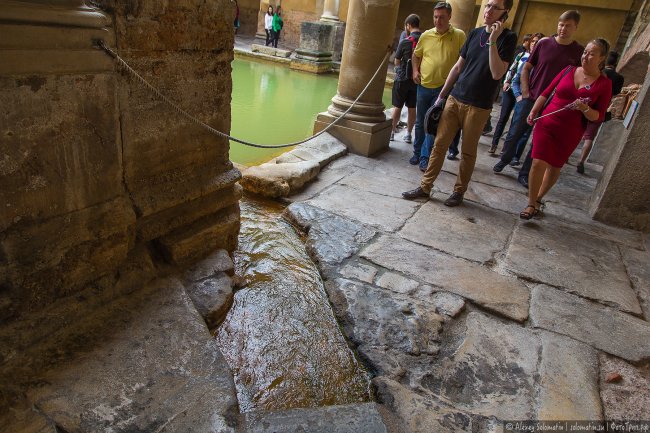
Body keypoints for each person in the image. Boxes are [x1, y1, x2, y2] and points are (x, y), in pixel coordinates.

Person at [402, 0, 517, 206]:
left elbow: (497, 72)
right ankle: (425, 186)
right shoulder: (474, 34)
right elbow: (457, 67)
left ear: (505, 13)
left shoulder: (507, 38)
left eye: (494, 7)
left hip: (479, 105)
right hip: (456, 98)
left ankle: (458, 192)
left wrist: (493, 40)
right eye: (488, 5)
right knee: (439, 144)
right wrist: (442, 96)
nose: (488, 10)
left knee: (467, 152)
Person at [519, 39, 612, 219]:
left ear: (602, 58)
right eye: (585, 52)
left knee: (554, 166)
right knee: (538, 162)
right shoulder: (568, 70)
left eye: (592, 53)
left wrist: (585, 108)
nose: (586, 56)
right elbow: (546, 92)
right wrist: (533, 110)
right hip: (547, 123)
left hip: (570, 131)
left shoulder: (604, 84)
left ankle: (538, 198)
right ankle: (531, 203)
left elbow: (598, 116)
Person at [493, 10, 584, 189]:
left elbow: (577, 78)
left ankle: (525, 173)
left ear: (575, 27)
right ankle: (504, 159)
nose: (563, 28)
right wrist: (525, 91)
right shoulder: (544, 44)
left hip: (553, 103)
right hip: (531, 97)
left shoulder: (578, 52)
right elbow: (526, 67)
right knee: (515, 132)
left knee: (538, 141)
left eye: (568, 26)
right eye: (561, 24)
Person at [410, 1, 466, 170]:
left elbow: (463, 62)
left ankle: (425, 157)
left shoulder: (459, 36)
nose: (438, 20)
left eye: (442, 17)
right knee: (420, 121)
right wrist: (415, 71)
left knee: (432, 124)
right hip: (424, 86)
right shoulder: (426, 35)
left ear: (449, 17)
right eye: (435, 17)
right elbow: (416, 55)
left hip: (443, 90)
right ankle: (416, 151)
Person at [490, 32, 544, 160]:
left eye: (537, 42)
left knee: (517, 122)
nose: (534, 44)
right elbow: (512, 70)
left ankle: (508, 151)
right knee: (503, 117)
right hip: (512, 91)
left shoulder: (541, 61)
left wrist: (523, 95)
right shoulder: (521, 55)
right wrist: (506, 82)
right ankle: (494, 144)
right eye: (533, 41)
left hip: (525, 96)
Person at [576, 50, 624, 174]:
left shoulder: (596, 74)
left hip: (586, 103)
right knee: (589, 137)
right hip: (600, 108)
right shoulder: (618, 78)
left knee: (575, 130)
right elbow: (616, 94)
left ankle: (565, 156)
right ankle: (581, 161)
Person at [390, 14, 422, 143]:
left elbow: (396, 61)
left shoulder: (405, 41)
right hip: (416, 79)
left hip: (402, 79)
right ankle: (408, 134)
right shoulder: (425, 40)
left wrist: (399, 71)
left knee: (397, 106)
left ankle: (392, 132)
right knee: (412, 108)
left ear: (408, 25)